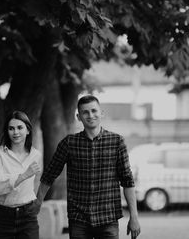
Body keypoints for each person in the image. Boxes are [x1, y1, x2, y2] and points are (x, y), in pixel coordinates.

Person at [36, 95, 141, 239]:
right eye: (85, 112)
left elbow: (127, 181)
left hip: (108, 218)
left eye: (94, 111)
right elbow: (49, 175)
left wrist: (134, 217)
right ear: (79, 117)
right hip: (79, 219)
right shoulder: (69, 143)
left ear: (101, 113)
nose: (90, 115)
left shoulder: (117, 142)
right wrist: (36, 204)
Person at [0, 111, 42, 239]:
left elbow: (36, 183)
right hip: (3, 217)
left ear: (28, 130)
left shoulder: (36, 155)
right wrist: (23, 175)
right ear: (7, 131)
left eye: (20, 127)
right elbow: (0, 188)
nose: (15, 132)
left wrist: (37, 203)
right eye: (11, 128)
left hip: (28, 217)